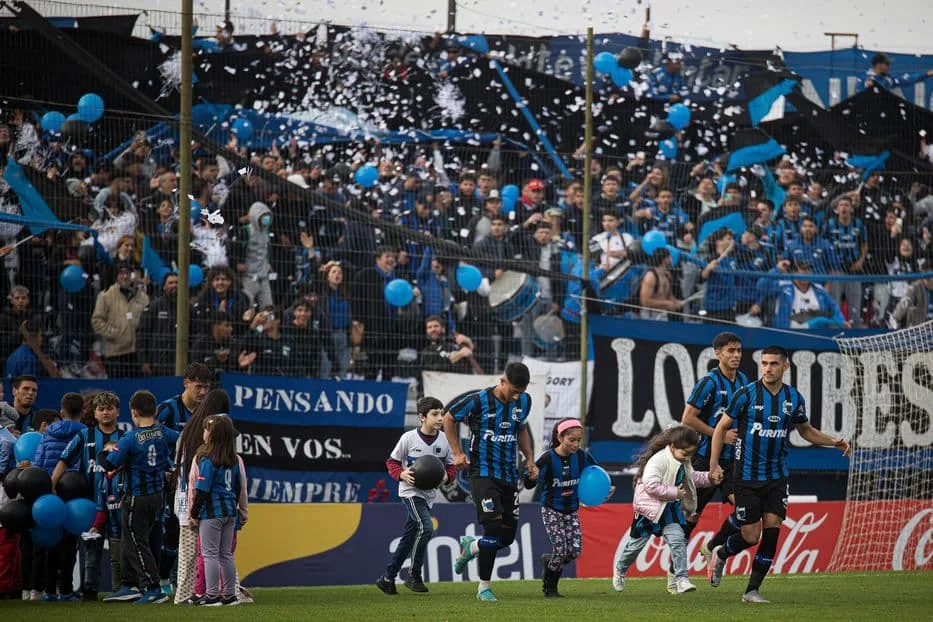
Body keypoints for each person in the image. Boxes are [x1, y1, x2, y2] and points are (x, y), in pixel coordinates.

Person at [707, 345, 851, 603]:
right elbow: (721, 428)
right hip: (746, 478)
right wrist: (714, 464)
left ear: (785, 366)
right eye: (764, 363)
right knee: (751, 537)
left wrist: (833, 441)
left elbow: (806, 431)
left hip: (777, 478)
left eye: (773, 364)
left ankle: (751, 591)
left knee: (772, 532)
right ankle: (721, 554)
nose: (767, 368)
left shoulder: (793, 398)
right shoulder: (746, 394)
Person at [443, 362, 538, 602]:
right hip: (482, 473)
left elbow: (521, 429)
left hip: (509, 475)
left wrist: (529, 459)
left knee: (506, 538)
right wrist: (456, 452)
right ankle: (483, 588)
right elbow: (449, 418)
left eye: (521, 392)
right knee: (493, 528)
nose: (516, 396)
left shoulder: (524, 401)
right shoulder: (478, 400)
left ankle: (473, 546)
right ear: (502, 381)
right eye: (513, 390)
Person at [613, 425, 720, 595]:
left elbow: (692, 478)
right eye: (685, 453)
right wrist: (675, 492)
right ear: (672, 446)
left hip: (669, 509)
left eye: (690, 454)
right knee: (633, 548)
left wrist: (709, 478)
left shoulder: (683, 460)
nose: (688, 457)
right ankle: (620, 569)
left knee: (678, 541)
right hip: (649, 511)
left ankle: (682, 579)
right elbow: (650, 486)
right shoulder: (658, 461)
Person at [99, 391, 179, 604]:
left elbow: (109, 464)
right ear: (155, 411)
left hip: (137, 497)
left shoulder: (130, 438)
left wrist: (102, 453)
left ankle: (153, 588)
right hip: (157, 496)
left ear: (133, 413)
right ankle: (129, 585)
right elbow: (183, 440)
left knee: (136, 542)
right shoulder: (164, 432)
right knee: (131, 540)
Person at [680, 332, 748, 576]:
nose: (736, 355)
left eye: (738, 350)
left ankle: (711, 547)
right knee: (691, 515)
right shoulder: (709, 382)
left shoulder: (744, 381)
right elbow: (687, 418)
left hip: (734, 461)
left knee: (745, 510)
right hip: (704, 459)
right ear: (718, 353)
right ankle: (676, 569)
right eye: (730, 351)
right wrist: (719, 434)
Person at [376, 397, 456, 595]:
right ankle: (414, 575)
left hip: (429, 495)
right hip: (410, 492)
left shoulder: (445, 439)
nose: (440, 418)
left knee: (409, 538)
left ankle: (387, 579)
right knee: (426, 527)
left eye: (441, 414)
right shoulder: (408, 438)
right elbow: (392, 462)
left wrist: (447, 477)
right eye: (435, 414)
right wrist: (401, 474)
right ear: (422, 417)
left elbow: (451, 466)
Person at [526, 418, 612, 598]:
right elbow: (529, 483)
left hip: (571, 510)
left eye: (579, 440)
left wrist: (606, 489)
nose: (576, 444)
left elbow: (596, 474)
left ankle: (550, 561)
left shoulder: (582, 457)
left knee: (574, 551)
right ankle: (550, 588)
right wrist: (531, 476)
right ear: (560, 437)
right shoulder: (548, 458)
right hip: (551, 509)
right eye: (571, 440)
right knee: (560, 549)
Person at [52, 391, 124, 602]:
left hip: (119, 503)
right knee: (91, 549)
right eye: (101, 409)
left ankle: (121, 589)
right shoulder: (84, 436)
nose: (105, 413)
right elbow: (64, 460)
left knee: (119, 549)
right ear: (94, 413)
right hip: (91, 504)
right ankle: (89, 591)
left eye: (109, 408)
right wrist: (52, 484)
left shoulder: (125, 438)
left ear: (117, 412)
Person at [172, 390, 232, 605]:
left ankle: (192, 594)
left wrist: (192, 509)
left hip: (190, 501)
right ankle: (225, 593)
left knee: (195, 554)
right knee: (221, 554)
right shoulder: (221, 452)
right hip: (216, 506)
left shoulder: (189, 433)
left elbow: (191, 479)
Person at [187, 414, 248, 607]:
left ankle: (212, 595)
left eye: (206, 429)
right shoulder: (233, 460)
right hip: (230, 511)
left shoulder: (207, 459)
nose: (204, 433)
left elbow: (202, 490)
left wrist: (194, 513)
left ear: (212, 435)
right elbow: (238, 487)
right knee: (226, 554)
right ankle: (229, 595)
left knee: (209, 554)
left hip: (212, 512)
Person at [32, 392, 86, 602]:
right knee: (69, 543)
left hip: (49, 494)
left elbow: (39, 462)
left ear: (62, 412)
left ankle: (49, 591)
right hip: (73, 494)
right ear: (83, 412)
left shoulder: (48, 433)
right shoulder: (86, 433)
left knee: (50, 542)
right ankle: (65, 590)